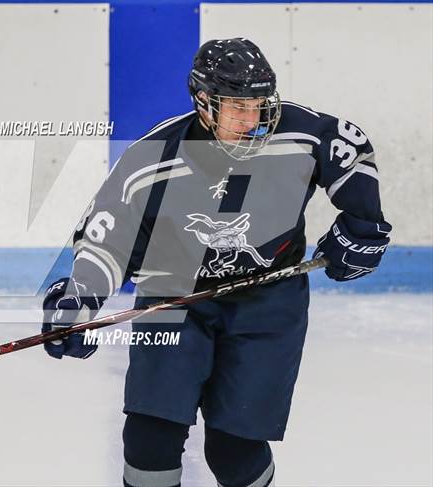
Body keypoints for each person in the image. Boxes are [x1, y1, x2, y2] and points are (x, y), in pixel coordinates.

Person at [41, 38, 391, 487]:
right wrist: (80, 298)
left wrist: (363, 224)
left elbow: (351, 151)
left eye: (259, 106)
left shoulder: (302, 134)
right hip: (173, 298)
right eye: (237, 107)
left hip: (269, 303)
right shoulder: (152, 158)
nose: (252, 120)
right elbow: (107, 238)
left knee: (234, 451)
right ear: (204, 103)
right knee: (150, 439)